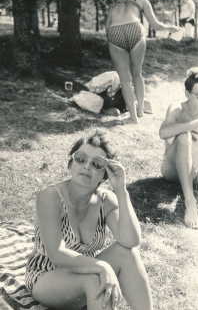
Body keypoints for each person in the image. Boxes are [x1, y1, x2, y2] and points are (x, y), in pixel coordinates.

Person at [25, 129, 154, 310]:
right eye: (81, 159)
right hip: (46, 276)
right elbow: (56, 254)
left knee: (128, 253)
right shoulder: (50, 196)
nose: (87, 166)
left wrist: (121, 191)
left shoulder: (106, 200)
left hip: (86, 270)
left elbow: (131, 240)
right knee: (95, 280)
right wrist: (101, 266)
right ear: (71, 163)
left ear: (105, 174)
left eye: (97, 164)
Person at [106, 0, 182, 124]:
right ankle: (140, 110)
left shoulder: (115, 4)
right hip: (135, 28)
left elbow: (107, 29)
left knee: (125, 79)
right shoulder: (141, 0)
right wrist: (171, 28)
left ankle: (133, 118)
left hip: (114, 30)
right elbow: (156, 26)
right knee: (137, 73)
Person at [159, 67, 198, 229]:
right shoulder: (177, 107)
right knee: (184, 136)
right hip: (172, 170)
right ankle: (190, 201)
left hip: (196, 173)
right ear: (187, 94)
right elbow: (163, 132)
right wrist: (193, 125)